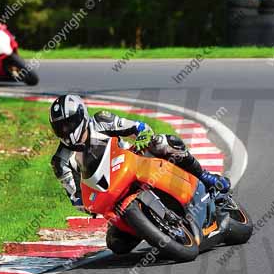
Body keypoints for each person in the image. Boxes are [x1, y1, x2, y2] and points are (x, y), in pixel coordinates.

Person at [49, 94, 231, 254]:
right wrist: (85, 204)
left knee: (163, 142)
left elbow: (138, 127)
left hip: (134, 162)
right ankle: (151, 228)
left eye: (69, 123)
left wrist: (143, 135)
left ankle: (206, 177)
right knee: (117, 245)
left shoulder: (101, 121)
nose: (66, 130)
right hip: (112, 196)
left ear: (81, 115)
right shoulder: (60, 161)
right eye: (60, 127)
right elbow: (74, 195)